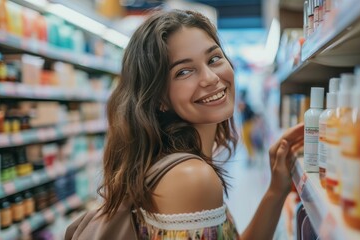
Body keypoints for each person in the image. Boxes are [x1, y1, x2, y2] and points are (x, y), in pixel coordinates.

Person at [69, 9, 304, 239]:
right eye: (184, 72)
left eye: (214, 59)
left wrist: (276, 189)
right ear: (159, 98)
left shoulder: (171, 163)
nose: (211, 78)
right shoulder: (190, 177)